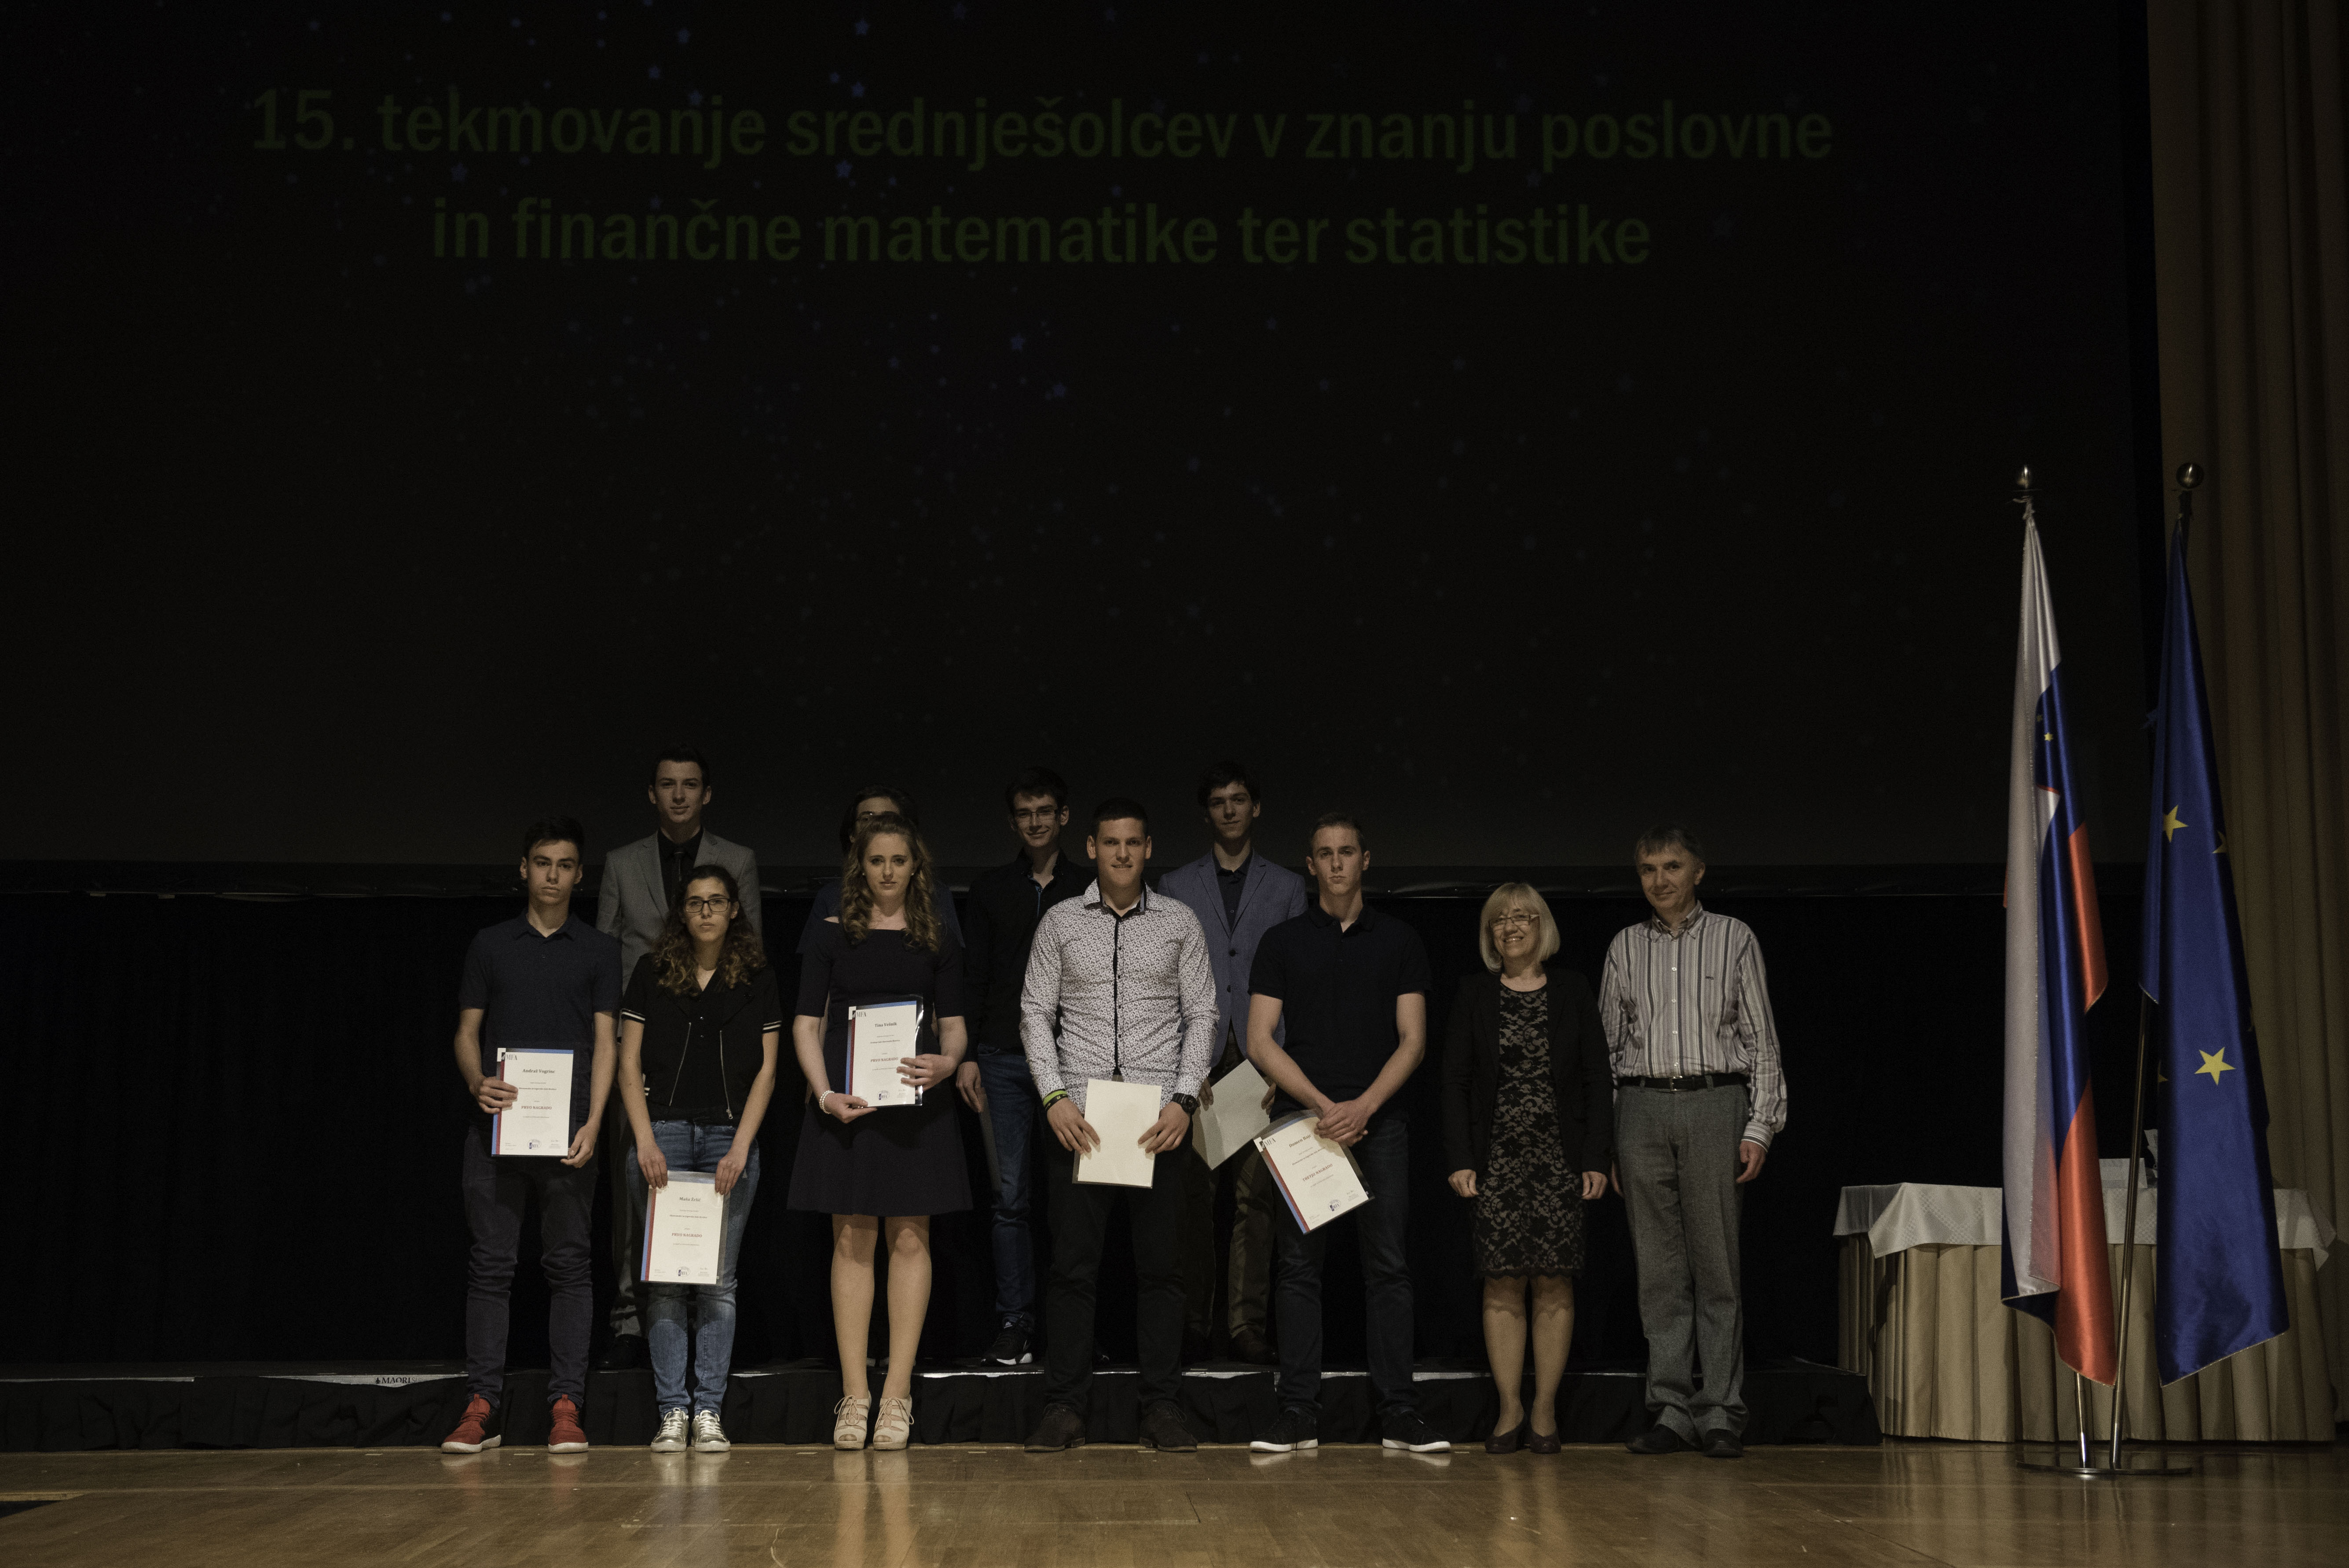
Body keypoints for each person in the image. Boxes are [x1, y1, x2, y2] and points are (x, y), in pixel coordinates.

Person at [1019, 798, 1217, 1454]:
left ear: (1148, 848)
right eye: (1111, 843)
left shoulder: (1179, 922)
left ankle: (1162, 1406)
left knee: (1161, 1271)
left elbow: (1203, 1014)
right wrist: (1053, 1099)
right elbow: (1034, 1013)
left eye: (1133, 843)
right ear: (1092, 848)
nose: (1123, 854)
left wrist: (1183, 1102)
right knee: (1072, 1270)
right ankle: (1064, 1407)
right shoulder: (1059, 922)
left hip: (1156, 1122)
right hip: (1079, 1120)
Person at [1245, 812, 1448, 1454]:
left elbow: (1413, 1041)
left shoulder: (1399, 940)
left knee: (1387, 1267)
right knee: (1297, 1270)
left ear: (1365, 860)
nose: (1336, 863)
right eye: (1324, 854)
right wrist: (1322, 1106)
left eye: (1346, 852)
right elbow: (1258, 1041)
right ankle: (1297, 1412)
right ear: (1310, 866)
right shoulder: (1281, 941)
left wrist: (1362, 1107)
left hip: (1378, 1122)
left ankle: (1398, 1412)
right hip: (1302, 1123)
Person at [1598, 825, 1788, 1461]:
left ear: (1697, 871)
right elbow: (1607, 1050)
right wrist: (1609, 1141)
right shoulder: (1625, 946)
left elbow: (1761, 1040)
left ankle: (1720, 1411)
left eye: (1672, 866)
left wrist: (1759, 1126)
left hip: (1713, 1102)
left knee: (1716, 1266)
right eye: (1648, 869)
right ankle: (1671, 1409)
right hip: (1641, 1107)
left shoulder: (1733, 937)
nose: (1659, 880)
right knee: (1658, 1272)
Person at [787, 813, 971, 1453]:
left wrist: (947, 1064)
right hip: (852, 1107)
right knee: (852, 1240)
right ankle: (854, 1395)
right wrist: (824, 1095)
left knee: (912, 1240)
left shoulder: (936, 936)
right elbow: (805, 1026)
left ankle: (896, 1395)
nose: (887, 872)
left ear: (915, 867)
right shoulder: (831, 934)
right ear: (859, 867)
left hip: (916, 1109)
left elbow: (954, 1028)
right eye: (876, 861)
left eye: (898, 860)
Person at [441, 819, 621, 1456]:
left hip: (569, 1133)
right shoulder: (492, 943)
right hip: (498, 1128)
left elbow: (607, 1043)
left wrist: (595, 1121)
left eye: (565, 865)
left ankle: (567, 1405)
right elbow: (467, 1032)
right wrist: (476, 1082)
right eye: (542, 862)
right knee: (491, 1267)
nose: (552, 874)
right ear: (524, 869)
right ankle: (482, 1405)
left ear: (579, 875)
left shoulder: (598, 949)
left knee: (569, 1265)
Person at [595, 747, 763, 1370]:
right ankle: (628, 1320)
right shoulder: (622, 863)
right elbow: (604, 959)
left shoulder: (737, 860)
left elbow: (751, 951)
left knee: (714, 1193)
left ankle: (701, 1329)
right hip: (642, 1049)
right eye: (667, 784)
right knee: (637, 1188)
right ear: (652, 793)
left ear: (706, 793)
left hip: (713, 1052)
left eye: (690, 784)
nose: (678, 795)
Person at [1440, 884, 1613, 1454]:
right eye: (1499, 920)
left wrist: (1595, 1157)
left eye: (1522, 917)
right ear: (1489, 933)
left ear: (1542, 927)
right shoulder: (1473, 992)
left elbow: (1596, 1078)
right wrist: (1461, 1159)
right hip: (1495, 1162)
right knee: (1501, 1283)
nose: (1510, 927)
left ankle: (1544, 1410)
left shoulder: (1572, 989)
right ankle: (1509, 1407)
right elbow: (1454, 1081)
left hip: (1559, 1160)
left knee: (1554, 1282)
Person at [617, 865, 781, 1454]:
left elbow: (767, 1070)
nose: (706, 911)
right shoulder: (651, 971)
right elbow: (628, 1063)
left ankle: (708, 1409)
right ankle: (672, 1412)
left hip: (728, 1139)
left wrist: (741, 1147)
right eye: (695, 903)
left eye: (716, 901)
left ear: (734, 909)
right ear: (681, 913)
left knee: (717, 1283)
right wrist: (644, 1141)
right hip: (661, 1135)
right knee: (665, 1281)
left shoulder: (757, 976)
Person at [1155, 760, 1308, 1366]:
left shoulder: (1286, 885)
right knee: (1193, 1199)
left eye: (1238, 799)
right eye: (1218, 801)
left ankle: (1245, 1325)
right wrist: (1181, 1066)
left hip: (1260, 1059)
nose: (1229, 809)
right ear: (1206, 813)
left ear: (1255, 807)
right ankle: (1194, 1321)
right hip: (1197, 1060)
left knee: (1256, 1200)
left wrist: (1279, 1064)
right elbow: (1166, 979)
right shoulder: (1176, 884)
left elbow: (1295, 977)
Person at [956, 766, 1091, 1367]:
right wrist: (966, 1055)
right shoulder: (990, 889)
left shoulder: (1088, 888)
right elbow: (974, 978)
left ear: (1063, 817)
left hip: (1075, 1060)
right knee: (1010, 1199)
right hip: (1003, 1059)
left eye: (1045, 811)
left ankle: (1073, 1325)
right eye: (1024, 813)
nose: (1035, 822)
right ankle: (1015, 1321)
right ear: (1013, 822)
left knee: (1074, 1200)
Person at [795, 784, 964, 955]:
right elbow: (813, 959)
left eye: (888, 818)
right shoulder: (831, 896)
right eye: (867, 819)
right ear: (852, 835)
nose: (877, 825)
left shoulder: (935, 893)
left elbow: (952, 956)